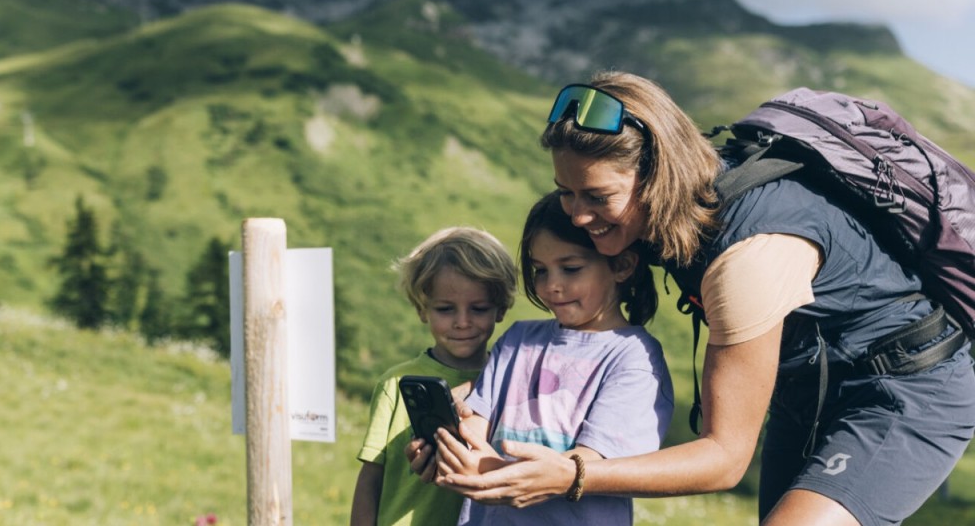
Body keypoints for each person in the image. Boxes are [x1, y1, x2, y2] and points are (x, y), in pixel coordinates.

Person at [420, 72, 975, 526]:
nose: (579, 217)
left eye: (598, 196)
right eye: (566, 192)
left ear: (657, 173)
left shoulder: (747, 253)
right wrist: (471, 402)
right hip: (811, 380)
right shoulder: (665, 214)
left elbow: (724, 460)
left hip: (906, 388)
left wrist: (573, 475)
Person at [448, 190, 673, 525]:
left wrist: (492, 472)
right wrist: (447, 444)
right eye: (540, 270)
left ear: (622, 265)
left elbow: (591, 462)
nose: (551, 285)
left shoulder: (634, 358)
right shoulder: (517, 339)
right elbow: (475, 426)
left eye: (570, 268)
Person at [350, 226, 517, 526]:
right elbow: (371, 478)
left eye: (478, 308)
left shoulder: (510, 381)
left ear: (501, 308)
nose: (462, 322)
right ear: (421, 308)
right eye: (445, 309)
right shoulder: (395, 383)